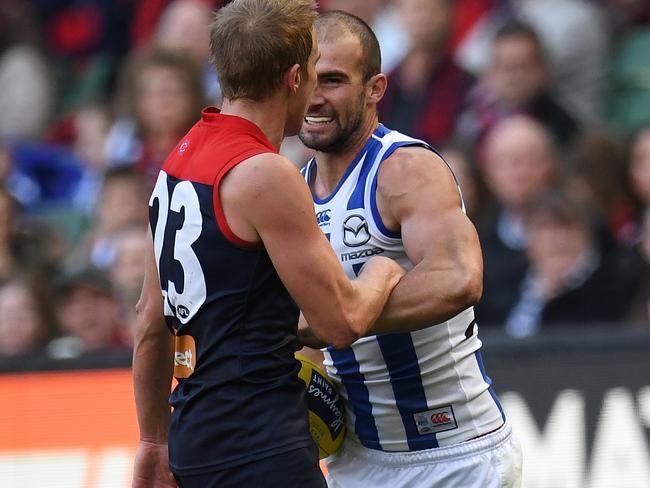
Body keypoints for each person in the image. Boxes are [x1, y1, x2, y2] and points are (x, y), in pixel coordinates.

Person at [131, 2, 405, 488]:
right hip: (259, 445)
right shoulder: (264, 174)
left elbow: (151, 322)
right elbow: (339, 322)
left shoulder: (178, 159)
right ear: (294, 77)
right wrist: (383, 270)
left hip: (193, 438)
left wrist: (153, 441)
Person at [298, 11, 521, 488]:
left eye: (333, 80)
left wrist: (343, 315)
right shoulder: (292, 192)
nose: (315, 98)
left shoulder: (405, 169)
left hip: (456, 455)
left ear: (375, 88)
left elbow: (459, 278)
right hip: (355, 460)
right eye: (306, 80)